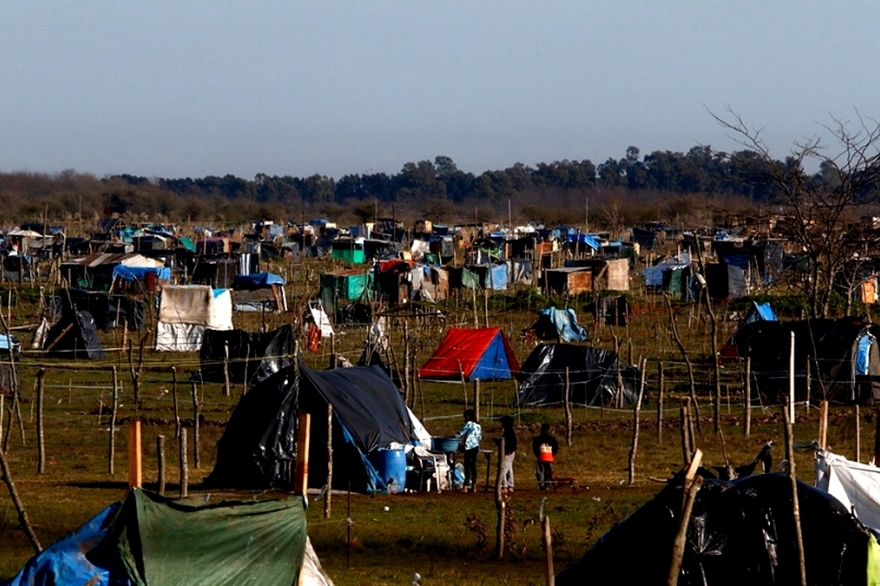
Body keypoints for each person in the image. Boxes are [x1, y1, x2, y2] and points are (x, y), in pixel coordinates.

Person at [457, 408, 482, 492]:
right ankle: (474, 486)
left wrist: (454, 437)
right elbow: (480, 437)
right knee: (473, 466)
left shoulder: (469, 424)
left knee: (467, 466)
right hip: (476, 447)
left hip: (469, 447)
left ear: (468, 416)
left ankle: (466, 486)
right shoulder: (478, 425)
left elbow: (461, 432)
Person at [532, 423, 559, 490]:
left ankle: (541, 484)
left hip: (541, 457)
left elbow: (534, 448)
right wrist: (553, 454)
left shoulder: (537, 439)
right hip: (549, 457)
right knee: (549, 472)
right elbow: (556, 447)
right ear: (548, 430)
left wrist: (537, 454)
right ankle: (548, 484)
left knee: (540, 471)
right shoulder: (552, 439)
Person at [495, 415, 517, 494]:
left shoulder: (506, 430)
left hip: (507, 452)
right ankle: (510, 485)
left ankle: (504, 486)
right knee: (509, 469)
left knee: (503, 469)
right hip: (512, 452)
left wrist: (498, 442)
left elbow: (505, 442)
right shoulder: (512, 430)